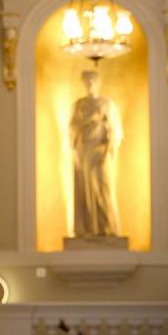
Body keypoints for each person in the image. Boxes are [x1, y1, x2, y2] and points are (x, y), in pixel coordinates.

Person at [69, 70, 124, 237]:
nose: (89, 85)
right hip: (83, 152)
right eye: (86, 82)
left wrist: (108, 149)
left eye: (92, 81)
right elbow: (73, 128)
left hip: (100, 153)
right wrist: (76, 150)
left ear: (98, 83)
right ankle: (86, 230)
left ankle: (107, 228)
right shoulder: (79, 105)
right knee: (84, 193)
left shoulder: (106, 104)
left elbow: (115, 130)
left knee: (102, 190)